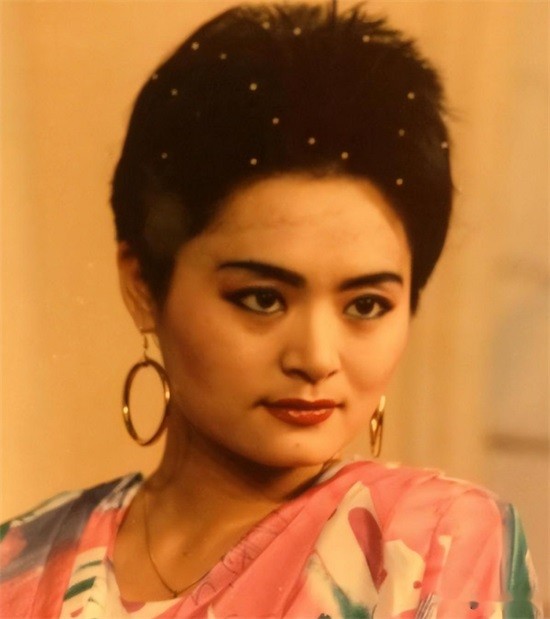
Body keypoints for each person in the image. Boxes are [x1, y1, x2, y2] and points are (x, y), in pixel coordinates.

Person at [0, 2, 541, 617]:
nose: (316, 357)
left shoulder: (431, 544)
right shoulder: (21, 564)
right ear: (142, 286)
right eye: (263, 299)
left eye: (366, 305)